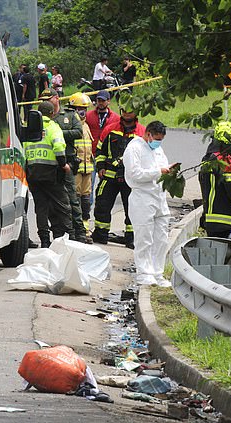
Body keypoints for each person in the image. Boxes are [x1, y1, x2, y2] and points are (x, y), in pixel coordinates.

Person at [39, 88, 92, 244]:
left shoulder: (69, 115)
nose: (45, 102)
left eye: (48, 99)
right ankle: (58, 234)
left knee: (72, 199)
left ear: (56, 98)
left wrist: (57, 132)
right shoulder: (40, 117)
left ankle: (79, 234)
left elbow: (78, 132)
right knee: (50, 204)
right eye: (43, 100)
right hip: (48, 165)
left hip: (66, 163)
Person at [123, 121, 173, 287]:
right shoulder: (134, 148)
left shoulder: (158, 149)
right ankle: (144, 273)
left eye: (161, 139)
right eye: (156, 138)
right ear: (148, 134)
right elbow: (135, 174)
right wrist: (158, 172)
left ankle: (157, 273)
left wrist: (168, 172)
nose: (158, 142)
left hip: (159, 196)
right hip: (142, 197)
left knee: (161, 238)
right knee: (144, 237)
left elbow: (162, 166)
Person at [92, 106, 145, 247]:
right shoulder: (110, 129)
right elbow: (99, 151)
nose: (127, 113)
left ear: (136, 112)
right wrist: (101, 167)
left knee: (133, 208)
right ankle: (100, 234)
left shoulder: (142, 132)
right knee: (102, 204)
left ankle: (131, 238)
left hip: (131, 178)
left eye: (130, 110)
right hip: (110, 175)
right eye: (125, 110)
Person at [24, 101, 73, 248]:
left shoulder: (31, 128)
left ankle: (44, 240)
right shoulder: (53, 127)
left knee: (41, 208)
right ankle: (66, 239)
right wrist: (63, 164)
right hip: (51, 173)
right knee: (62, 206)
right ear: (52, 114)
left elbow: (24, 149)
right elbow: (58, 146)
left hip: (33, 174)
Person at [68, 92, 94, 234]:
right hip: (75, 170)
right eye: (79, 108)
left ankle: (85, 227)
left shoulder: (86, 126)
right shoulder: (71, 126)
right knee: (75, 199)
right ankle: (76, 228)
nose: (83, 112)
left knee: (86, 200)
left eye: (84, 108)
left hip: (87, 170)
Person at [85, 90, 121, 155]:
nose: (101, 103)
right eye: (99, 101)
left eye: (103, 101)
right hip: (91, 152)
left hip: (108, 152)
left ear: (108, 101)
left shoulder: (116, 118)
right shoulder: (88, 116)